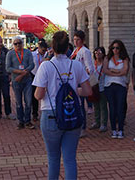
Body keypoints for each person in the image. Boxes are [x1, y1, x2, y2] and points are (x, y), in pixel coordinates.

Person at [33, 31, 92, 180]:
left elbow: (38, 95)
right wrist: (73, 91)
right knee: (70, 159)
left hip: (51, 116)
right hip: (72, 114)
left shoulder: (46, 66)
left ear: (53, 47)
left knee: (53, 159)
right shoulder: (76, 65)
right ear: (68, 48)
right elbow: (87, 91)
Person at [6, 36, 35, 129]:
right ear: (13, 44)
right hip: (16, 81)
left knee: (28, 101)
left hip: (27, 80)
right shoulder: (10, 54)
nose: (18, 45)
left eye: (19, 43)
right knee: (18, 102)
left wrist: (23, 74)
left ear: (22, 43)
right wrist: (19, 72)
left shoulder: (27, 52)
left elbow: (32, 65)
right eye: (15, 43)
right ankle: (20, 121)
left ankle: (28, 121)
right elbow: (8, 68)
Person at [103, 40, 130, 138]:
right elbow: (105, 70)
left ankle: (121, 130)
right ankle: (114, 129)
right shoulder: (107, 58)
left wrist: (113, 70)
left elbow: (125, 71)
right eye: (113, 48)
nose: (115, 50)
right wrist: (118, 71)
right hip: (109, 85)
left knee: (120, 108)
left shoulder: (125, 59)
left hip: (121, 86)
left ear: (121, 49)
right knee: (112, 108)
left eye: (117, 48)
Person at [70, 30, 94, 137]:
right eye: (74, 39)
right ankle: (78, 125)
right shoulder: (75, 50)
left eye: (78, 39)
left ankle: (83, 127)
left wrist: (85, 77)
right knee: (76, 104)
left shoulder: (85, 51)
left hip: (80, 81)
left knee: (80, 105)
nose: (76, 41)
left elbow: (90, 67)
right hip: (74, 80)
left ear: (83, 40)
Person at [90, 46, 108, 133]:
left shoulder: (105, 64)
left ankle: (103, 124)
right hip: (94, 87)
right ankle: (97, 122)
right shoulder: (93, 64)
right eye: (96, 53)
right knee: (96, 106)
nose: (97, 54)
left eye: (100, 53)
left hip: (103, 87)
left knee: (103, 106)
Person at [31, 41, 48, 121]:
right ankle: (35, 113)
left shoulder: (47, 55)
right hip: (34, 76)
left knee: (45, 95)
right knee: (34, 96)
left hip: (44, 76)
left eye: (45, 50)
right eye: (43, 50)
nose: (44, 52)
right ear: (39, 48)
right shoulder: (33, 55)